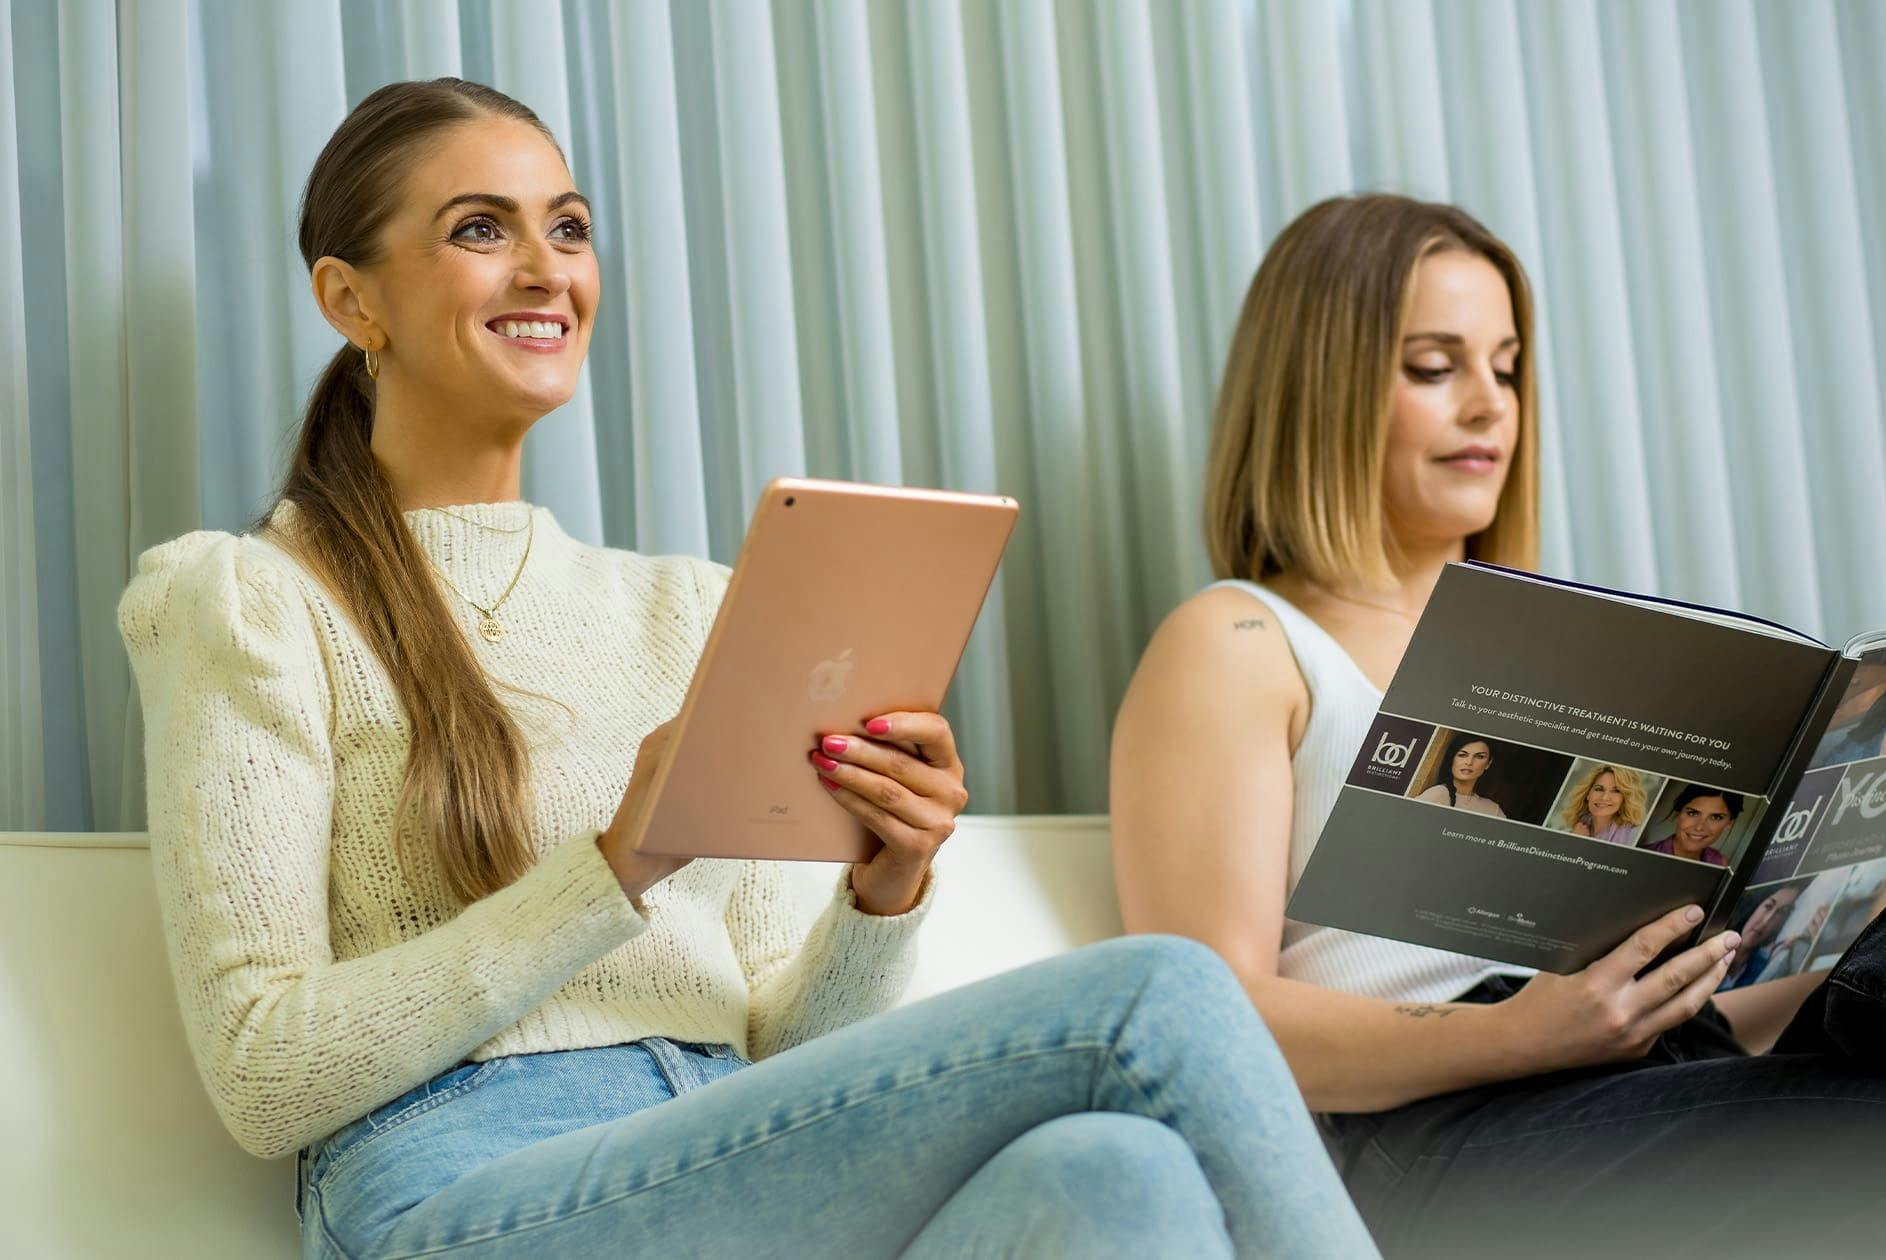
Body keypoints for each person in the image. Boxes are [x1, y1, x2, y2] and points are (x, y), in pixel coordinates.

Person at [116, 80, 1373, 1260]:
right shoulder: (250, 599)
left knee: (1115, 1177)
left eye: (567, 226)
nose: (547, 267)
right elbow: (260, 1070)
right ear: (351, 300)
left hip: (727, 1152)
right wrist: (615, 868)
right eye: (480, 230)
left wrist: (885, 890)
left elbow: (782, 1050)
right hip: (458, 1189)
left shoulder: (687, 611)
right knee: (1155, 996)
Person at [1110, 192, 1886, 1258]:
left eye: (1506, 367)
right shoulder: (1240, 639)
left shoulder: (1581, 645)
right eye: (1434, 368)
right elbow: (1207, 1021)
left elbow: (1695, 1020)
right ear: (1317, 390)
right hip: (1440, 1133)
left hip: (1654, 1075)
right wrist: (1522, 1031)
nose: (1489, 406)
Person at [1720, 883, 1804, 989]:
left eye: (1781, 912)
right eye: (1768, 907)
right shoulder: (1715, 940)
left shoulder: (1764, 965)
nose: (1765, 921)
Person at [1638, 785, 1740, 866]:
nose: (1699, 827)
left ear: (1728, 824)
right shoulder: (1641, 856)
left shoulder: (1720, 862)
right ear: (1678, 814)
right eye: (1692, 813)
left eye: (1716, 817)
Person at [1411, 734, 1506, 817]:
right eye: (1462, 755)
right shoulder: (1437, 794)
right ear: (1452, 758)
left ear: (1488, 763)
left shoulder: (1493, 809)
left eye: (1479, 757)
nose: (1469, 762)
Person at [1557, 762, 1647, 846]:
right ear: (1588, 794)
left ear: (1625, 799)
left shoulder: (1634, 837)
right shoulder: (1570, 832)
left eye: (1616, 791)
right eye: (1599, 789)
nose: (1604, 797)